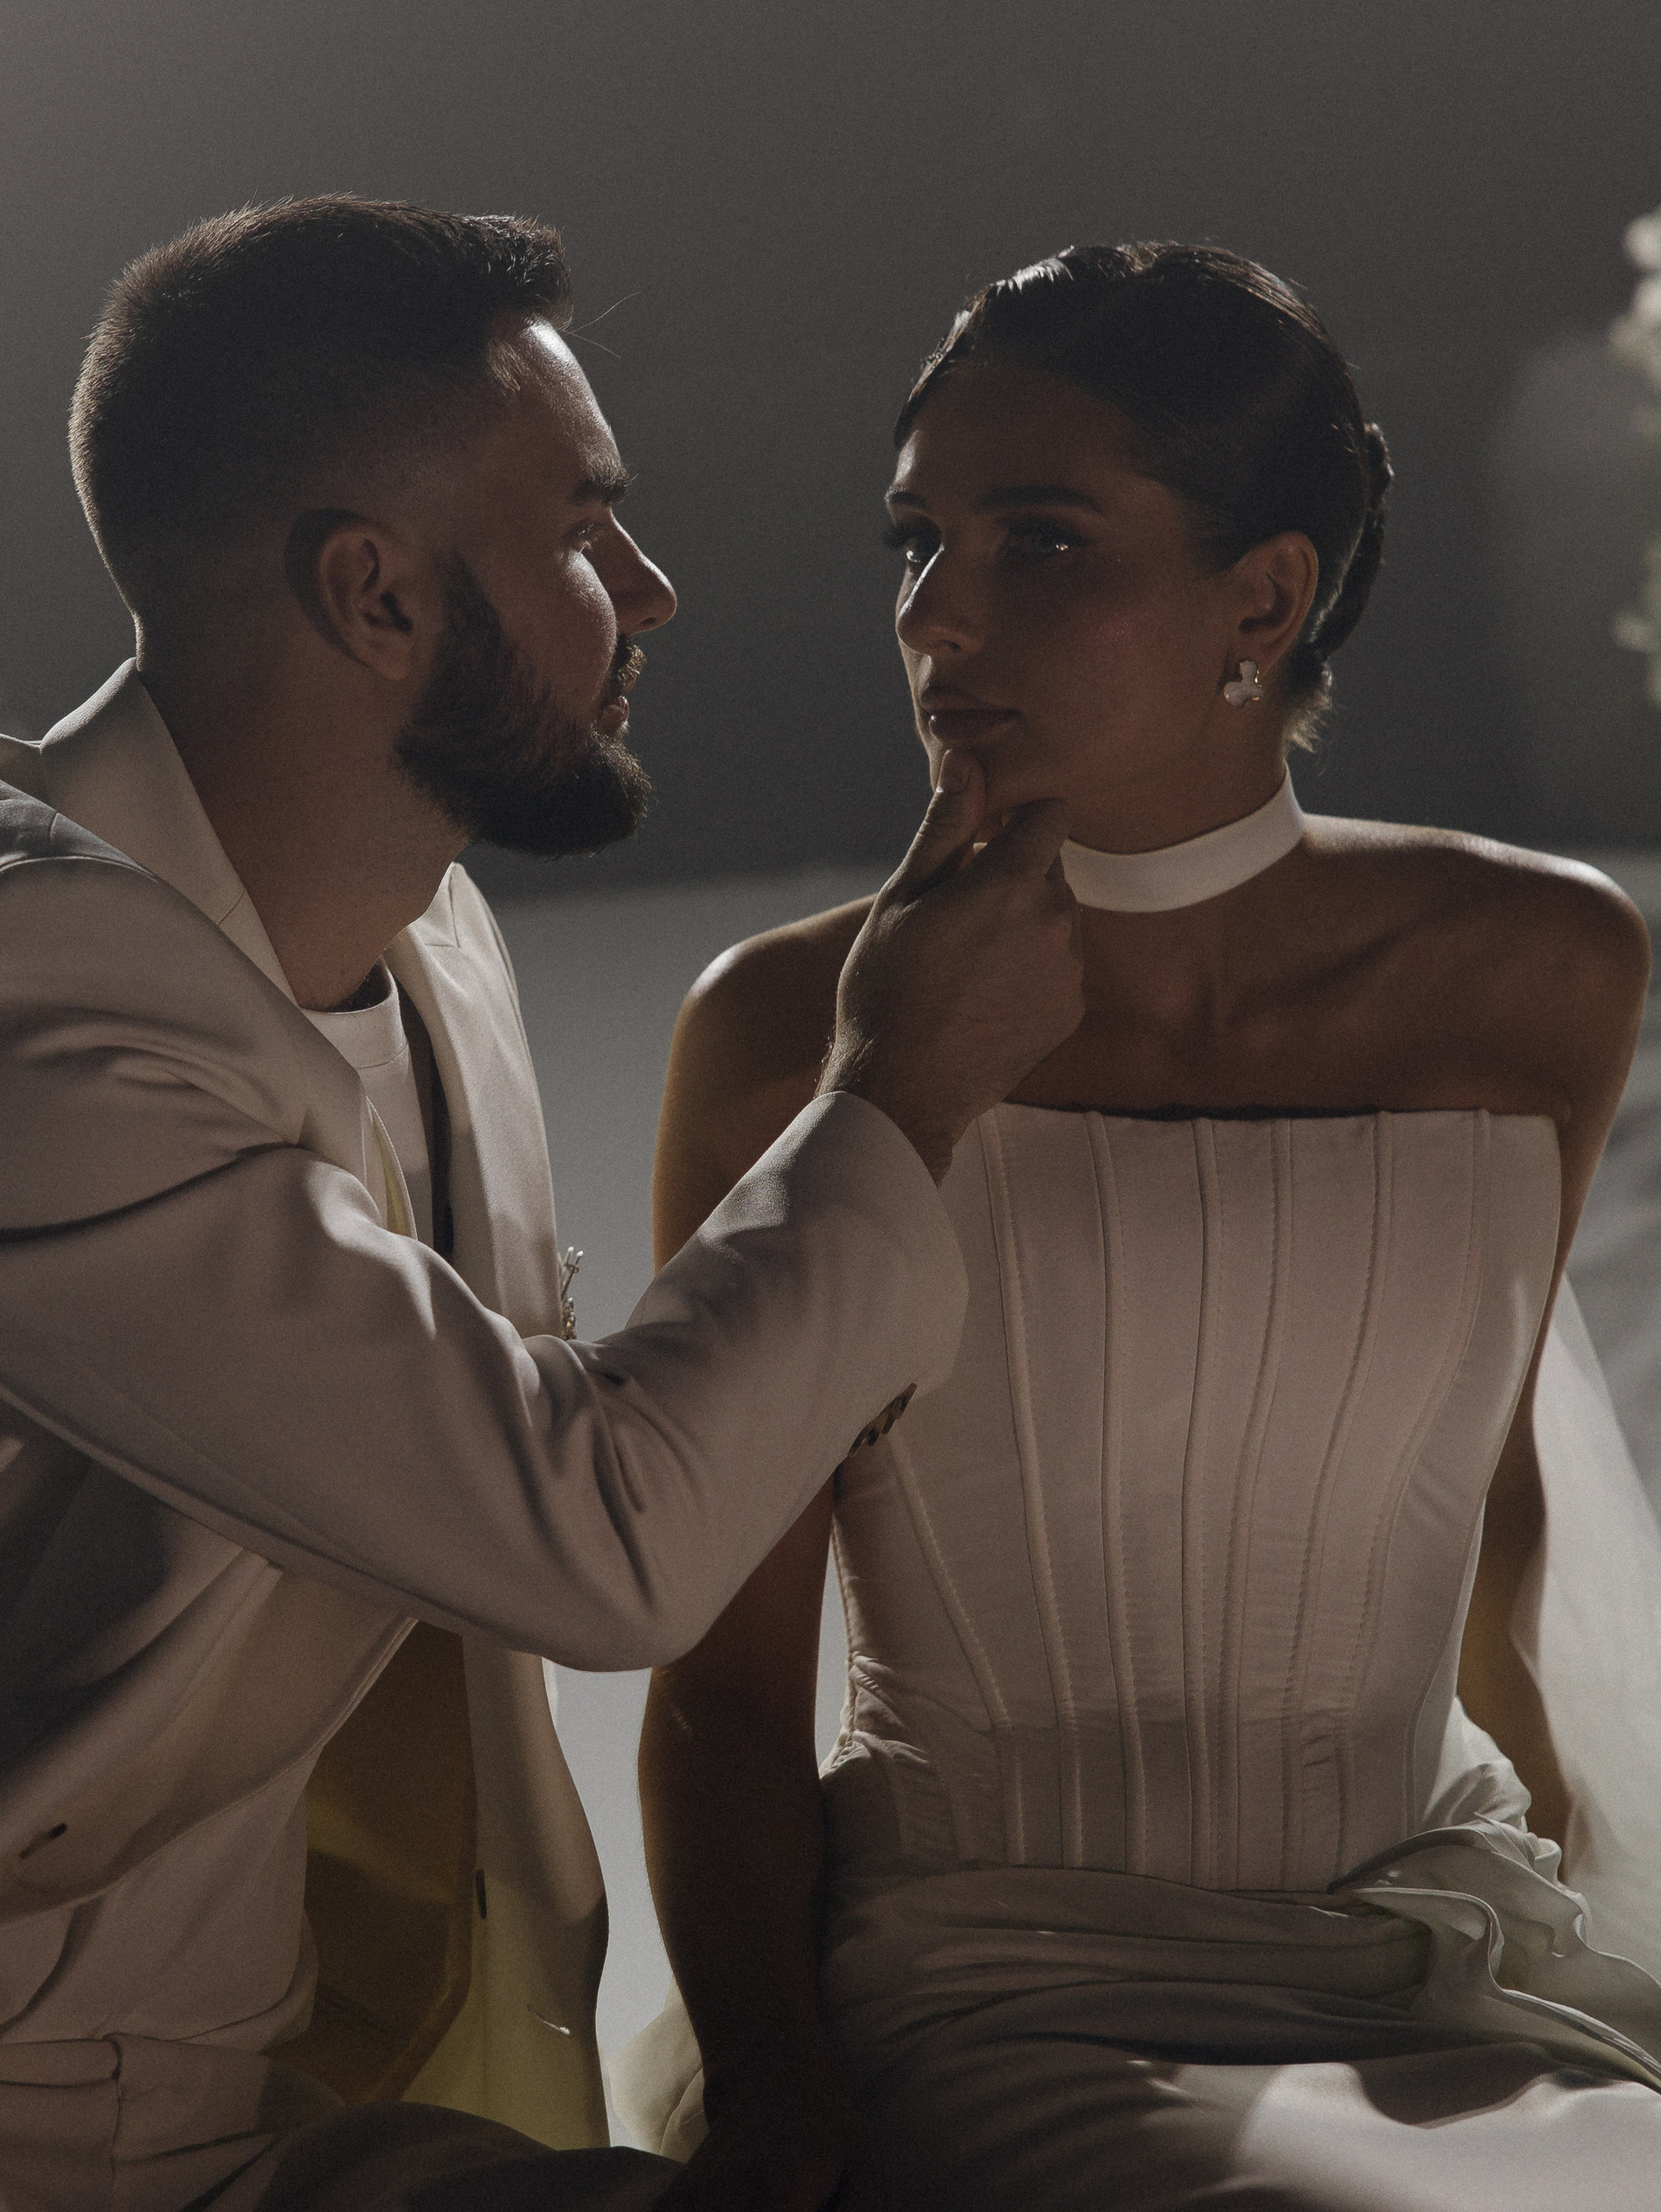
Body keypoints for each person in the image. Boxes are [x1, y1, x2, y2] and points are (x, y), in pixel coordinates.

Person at [0, 199, 1085, 2212]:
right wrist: (897, 1088)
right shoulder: (36, 1017)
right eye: (586, 532)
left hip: (268, 2095)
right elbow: (596, 1535)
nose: (652, 590)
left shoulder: (436, 943)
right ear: (375, 593)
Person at [623, 242, 1661, 2210]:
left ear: (1263, 598)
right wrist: (775, 2093)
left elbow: (1496, 1517)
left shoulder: (1542, 969)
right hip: (1000, 1986)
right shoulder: (782, 1032)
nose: (935, 614)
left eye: (1037, 541)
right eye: (917, 542)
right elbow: (725, 1692)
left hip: (1438, 1954)